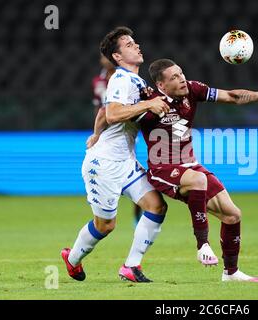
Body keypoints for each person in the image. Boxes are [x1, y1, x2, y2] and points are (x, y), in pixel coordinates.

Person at [89, 58, 258, 282]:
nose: (182, 78)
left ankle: (231, 273)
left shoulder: (193, 90)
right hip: (162, 168)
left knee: (232, 215)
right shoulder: (150, 102)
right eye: (174, 77)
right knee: (198, 180)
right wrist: (97, 135)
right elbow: (107, 113)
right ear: (161, 86)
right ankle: (202, 244)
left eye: (181, 73)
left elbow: (231, 96)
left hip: (189, 164)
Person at [61, 27, 170, 283]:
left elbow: (102, 114)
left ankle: (131, 267)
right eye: (130, 44)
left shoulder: (137, 82)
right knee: (105, 226)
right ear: (118, 57)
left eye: (135, 42)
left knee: (157, 206)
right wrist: (148, 104)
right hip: (104, 164)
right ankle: (72, 258)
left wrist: (96, 133)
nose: (137, 46)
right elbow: (113, 113)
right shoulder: (120, 78)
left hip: (126, 162)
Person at [90, 54, 143, 224]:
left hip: (126, 130)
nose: (106, 60)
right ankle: (105, 212)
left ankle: (137, 217)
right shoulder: (99, 81)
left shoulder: (127, 78)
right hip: (107, 131)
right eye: (103, 57)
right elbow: (99, 108)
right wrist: (97, 132)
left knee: (135, 170)